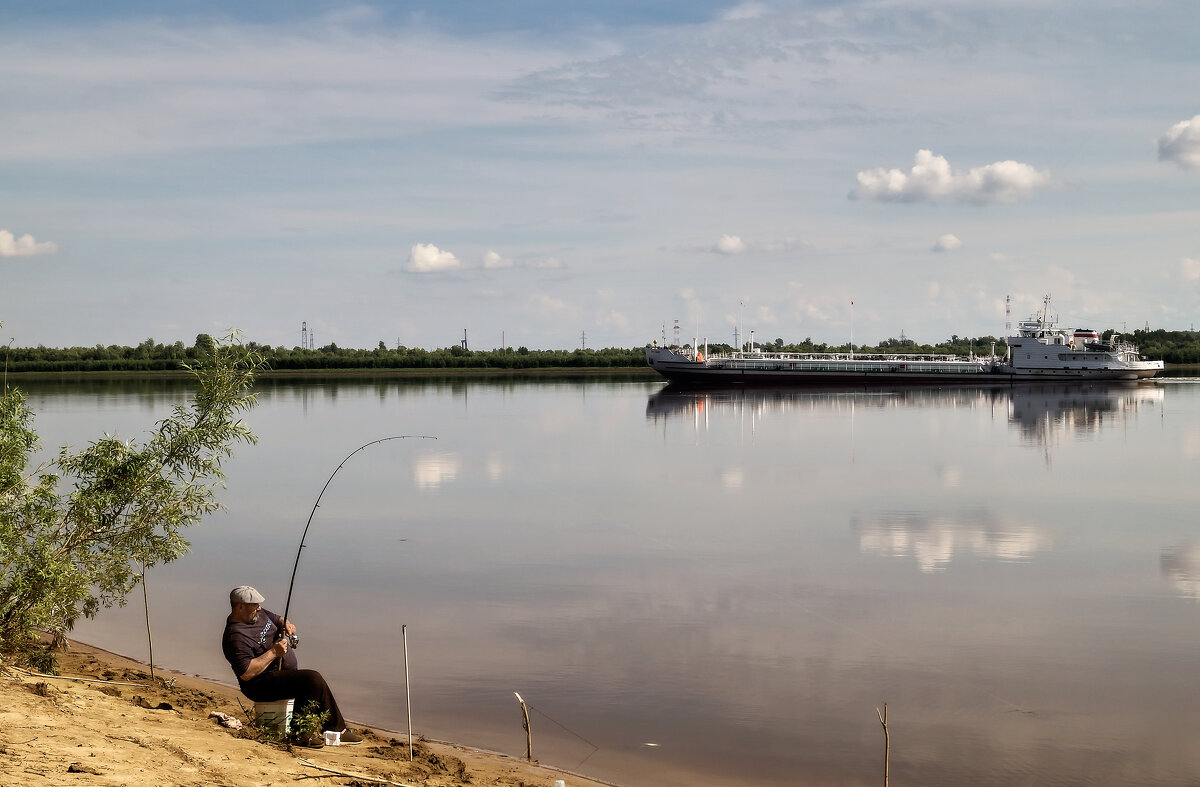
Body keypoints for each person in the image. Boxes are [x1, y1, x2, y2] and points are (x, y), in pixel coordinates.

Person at [221, 585, 363, 747]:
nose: (259, 607)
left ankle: (336, 730)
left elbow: (278, 619)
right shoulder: (236, 636)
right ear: (240, 606)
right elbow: (246, 672)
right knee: (311, 679)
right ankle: (300, 734)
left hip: (278, 674)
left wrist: (286, 624)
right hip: (259, 684)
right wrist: (274, 652)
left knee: (313, 682)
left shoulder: (256, 614)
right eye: (255, 605)